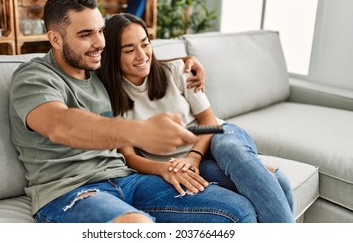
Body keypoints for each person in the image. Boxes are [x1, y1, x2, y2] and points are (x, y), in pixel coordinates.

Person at [9, 0, 259, 223]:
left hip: (129, 180)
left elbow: (138, 62)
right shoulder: (35, 78)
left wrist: (186, 60)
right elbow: (60, 124)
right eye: (86, 35)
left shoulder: (98, 73)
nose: (100, 43)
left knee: (239, 211)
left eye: (101, 31)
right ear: (54, 38)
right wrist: (139, 131)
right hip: (70, 192)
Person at [97, 13, 295, 223]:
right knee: (279, 181)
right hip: (184, 162)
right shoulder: (109, 97)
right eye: (129, 50)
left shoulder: (178, 70)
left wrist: (194, 156)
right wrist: (166, 167)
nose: (141, 55)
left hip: (217, 135)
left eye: (145, 44)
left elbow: (209, 121)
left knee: (230, 149)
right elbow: (129, 156)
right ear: (112, 55)